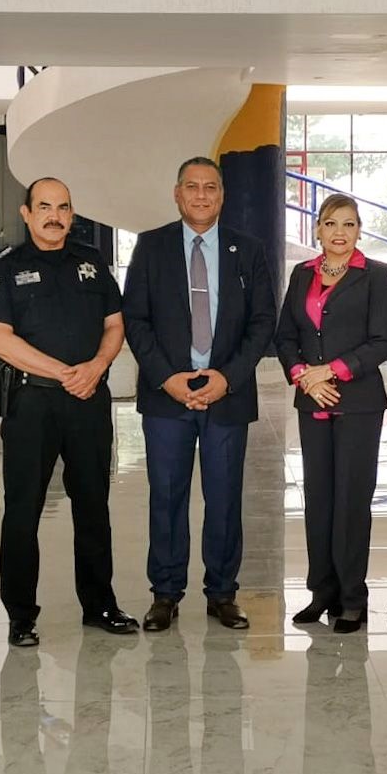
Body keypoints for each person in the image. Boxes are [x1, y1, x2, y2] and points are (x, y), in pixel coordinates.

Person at [0, 177, 137, 647]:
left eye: (63, 207)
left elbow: (115, 324)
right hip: (32, 402)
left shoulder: (91, 261)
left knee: (93, 505)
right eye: (45, 207)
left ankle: (100, 604)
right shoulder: (4, 267)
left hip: (88, 400)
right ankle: (20, 615)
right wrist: (65, 373)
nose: (55, 216)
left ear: (72, 214)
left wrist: (97, 366)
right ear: (27, 214)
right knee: (22, 508)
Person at [122, 156, 276, 632]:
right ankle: (165, 593)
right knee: (167, 496)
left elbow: (262, 321)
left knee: (224, 497)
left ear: (222, 195)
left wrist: (227, 378)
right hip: (166, 394)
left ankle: (223, 593)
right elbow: (136, 319)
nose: (202, 195)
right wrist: (166, 377)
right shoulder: (151, 246)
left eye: (211, 187)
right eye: (193, 186)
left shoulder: (247, 249)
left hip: (226, 393)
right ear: (177, 193)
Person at [274, 195, 387, 633]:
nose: (339, 232)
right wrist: (304, 376)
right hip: (312, 399)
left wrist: (332, 371)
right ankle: (321, 591)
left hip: (359, 402)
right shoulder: (302, 273)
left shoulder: (376, 275)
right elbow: (285, 337)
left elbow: (384, 341)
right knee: (319, 498)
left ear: (359, 230)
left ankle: (352, 597)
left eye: (348, 224)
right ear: (317, 230)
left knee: (351, 499)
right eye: (330, 223)